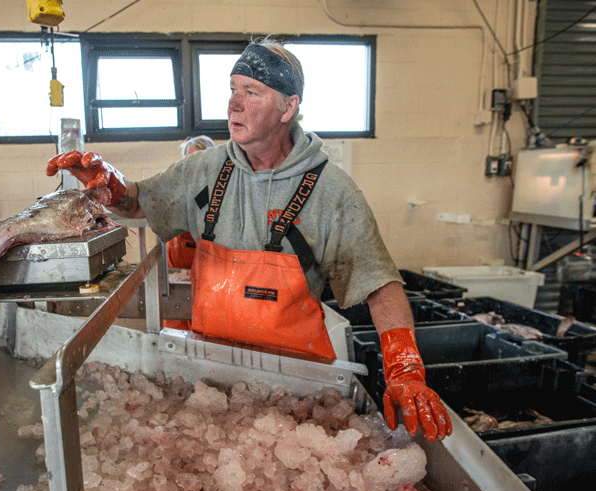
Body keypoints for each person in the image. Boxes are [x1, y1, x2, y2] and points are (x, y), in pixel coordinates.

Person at [46, 38, 452, 442]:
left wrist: (405, 369)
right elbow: (138, 202)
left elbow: (379, 284)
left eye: (251, 92)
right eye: (232, 89)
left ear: (287, 108)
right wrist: (111, 185)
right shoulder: (204, 169)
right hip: (207, 377)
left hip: (295, 389)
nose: (233, 104)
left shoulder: (333, 193)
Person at [164, 136, 216, 330]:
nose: (193, 164)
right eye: (188, 158)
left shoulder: (219, 186)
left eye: (199, 158)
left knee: (204, 323)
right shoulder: (174, 183)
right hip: (176, 265)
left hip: (206, 262)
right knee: (175, 321)